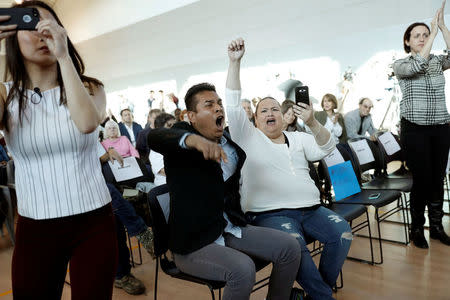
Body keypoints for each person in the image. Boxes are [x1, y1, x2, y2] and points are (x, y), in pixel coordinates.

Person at [0, 1, 117, 299]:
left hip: (93, 223)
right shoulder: (6, 94)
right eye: (30, 24)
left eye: (49, 26)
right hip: (35, 227)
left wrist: (64, 57)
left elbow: (88, 123)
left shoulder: (90, 88)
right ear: (12, 36)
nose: (42, 33)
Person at [148, 83, 301, 300]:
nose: (218, 108)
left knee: (289, 247)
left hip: (227, 227)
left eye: (219, 103)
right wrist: (192, 140)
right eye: (209, 105)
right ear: (191, 115)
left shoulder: (227, 141)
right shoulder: (182, 140)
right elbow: (154, 138)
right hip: (193, 243)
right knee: (242, 269)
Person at [225, 38, 352, 300]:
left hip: (311, 210)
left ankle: (315, 294)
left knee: (342, 233)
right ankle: (323, 297)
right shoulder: (247, 137)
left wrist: (313, 122)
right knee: (294, 245)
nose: (270, 112)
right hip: (269, 215)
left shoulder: (299, 138)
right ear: (255, 120)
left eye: (275, 109)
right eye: (263, 111)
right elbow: (234, 104)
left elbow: (328, 147)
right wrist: (234, 63)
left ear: (284, 117)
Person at [393, 1, 450, 248]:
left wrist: (443, 27)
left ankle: (436, 227)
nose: (422, 37)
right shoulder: (401, 64)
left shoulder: (438, 61)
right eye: (417, 35)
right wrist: (433, 34)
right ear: (407, 41)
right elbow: (418, 65)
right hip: (414, 129)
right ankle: (417, 229)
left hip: (440, 126)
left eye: (425, 34)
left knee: (438, 178)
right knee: (423, 179)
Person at [96, 142, 155, 295]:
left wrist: (108, 152)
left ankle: (121, 275)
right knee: (111, 193)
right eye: (109, 128)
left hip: (123, 188)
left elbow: (97, 157)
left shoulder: (93, 135)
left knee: (117, 222)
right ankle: (146, 236)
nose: (113, 130)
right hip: (96, 192)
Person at [149, 113, 176, 186]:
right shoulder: (155, 149)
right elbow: (164, 171)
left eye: (175, 125)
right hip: (166, 186)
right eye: (169, 125)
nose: (174, 128)